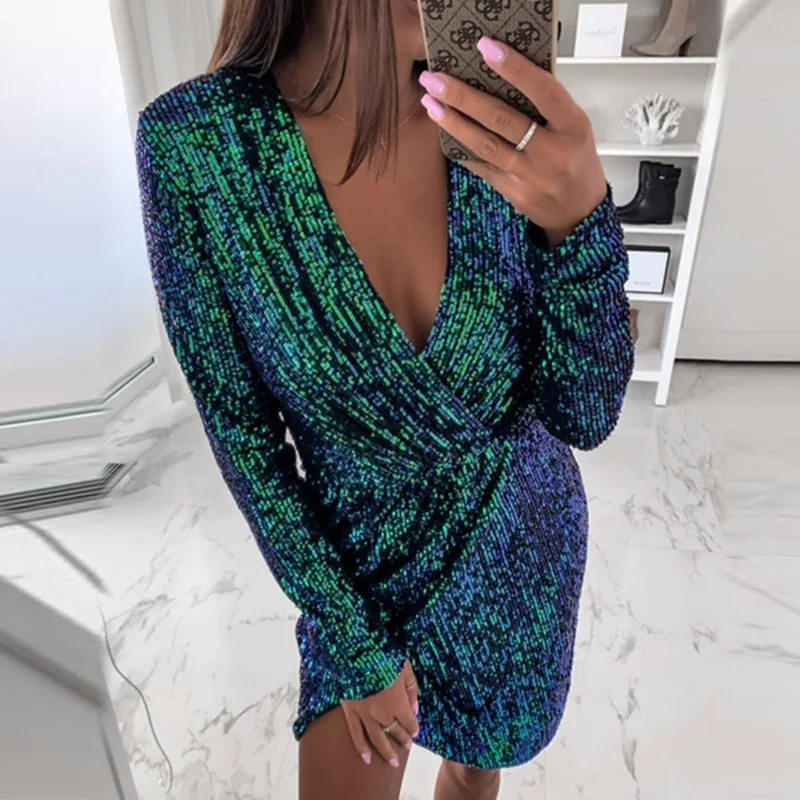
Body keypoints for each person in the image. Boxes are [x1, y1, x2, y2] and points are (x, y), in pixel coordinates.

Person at [134, 1, 635, 798]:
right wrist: (355, 642)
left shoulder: (490, 111)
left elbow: (585, 413)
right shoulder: (197, 144)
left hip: (521, 545)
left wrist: (581, 222)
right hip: (354, 573)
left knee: (474, 775)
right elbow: (247, 447)